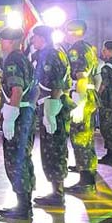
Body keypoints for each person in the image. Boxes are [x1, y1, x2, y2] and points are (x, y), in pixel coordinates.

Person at [0, 28, 37, 220]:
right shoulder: (24, 58)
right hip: (26, 112)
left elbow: (17, 90)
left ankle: (22, 206)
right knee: (24, 157)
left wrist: (10, 117)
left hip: (18, 113)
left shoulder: (13, 59)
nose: (0, 43)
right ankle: (25, 203)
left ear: (11, 41)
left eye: (2, 40)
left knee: (15, 159)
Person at [32, 26, 73, 208]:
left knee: (54, 149)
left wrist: (52, 109)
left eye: (35, 38)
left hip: (53, 106)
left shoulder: (51, 54)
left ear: (42, 38)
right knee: (52, 148)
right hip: (50, 105)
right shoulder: (53, 52)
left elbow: (57, 83)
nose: (33, 41)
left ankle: (57, 193)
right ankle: (56, 190)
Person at [63, 20, 100, 191]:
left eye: (68, 30)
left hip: (82, 97)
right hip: (88, 96)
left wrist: (79, 101)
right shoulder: (88, 48)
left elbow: (82, 76)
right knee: (87, 138)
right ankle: (88, 175)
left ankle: (86, 182)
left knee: (80, 139)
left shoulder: (76, 49)